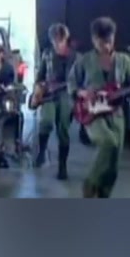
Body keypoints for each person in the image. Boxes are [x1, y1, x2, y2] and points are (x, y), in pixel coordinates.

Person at [67, 17, 130, 198]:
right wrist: (83, 93)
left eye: (109, 41)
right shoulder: (84, 61)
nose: (105, 46)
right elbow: (71, 84)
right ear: (93, 40)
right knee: (108, 142)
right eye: (100, 42)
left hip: (116, 114)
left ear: (114, 38)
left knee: (114, 164)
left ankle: (104, 195)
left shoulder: (124, 61)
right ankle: (91, 183)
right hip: (92, 114)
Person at [29, 23, 78, 178]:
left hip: (67, 95)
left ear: (65, 39)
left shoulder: (76, 57)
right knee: (46, 122)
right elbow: (40, 76)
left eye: (60, 40)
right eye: (54, 41)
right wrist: (38, 90)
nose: (57, 44)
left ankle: (62, 166)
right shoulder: (47, 54)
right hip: (49, 94)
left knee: (63, 130)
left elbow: (82, 79)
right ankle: (41, 152)